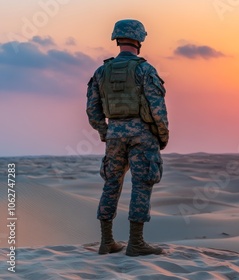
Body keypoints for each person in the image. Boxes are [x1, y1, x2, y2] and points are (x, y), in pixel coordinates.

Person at [86, 19, 169, 256]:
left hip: (115, 134)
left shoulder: (101, 72)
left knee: (111, 184)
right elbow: (158, 109)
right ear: (139, 39)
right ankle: (136, 243)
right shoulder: (145, 69)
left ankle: (106, 242)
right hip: (142, 134)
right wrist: (162, 136)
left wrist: (106, 133)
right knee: (142, 184)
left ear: (116, 38)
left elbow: (93, 111)